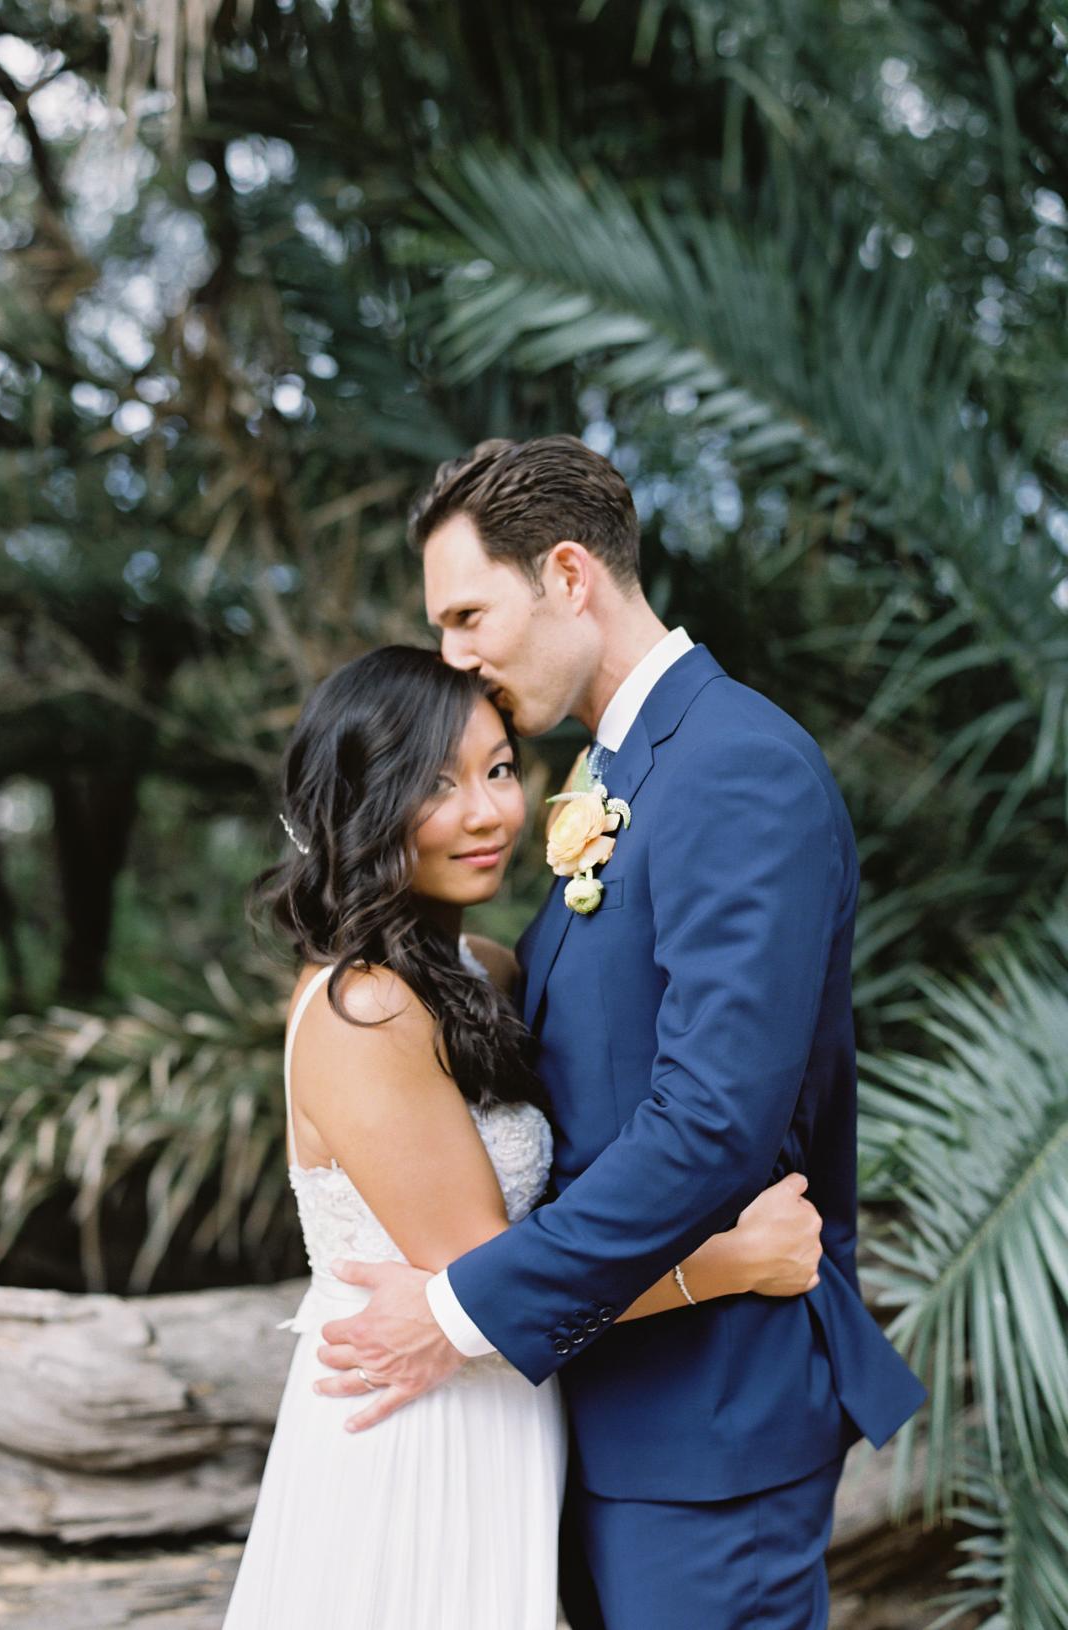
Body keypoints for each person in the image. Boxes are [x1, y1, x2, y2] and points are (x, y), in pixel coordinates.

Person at [314, 438, 928, 1630]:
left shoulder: (736, 767)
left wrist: (452, 1309)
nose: (454, 654)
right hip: (601, 1415)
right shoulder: (622, 772)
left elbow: (709, 1125)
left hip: (712, 1425)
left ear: (567, 575)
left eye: (469, 613)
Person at [219, 644, 828, 1630]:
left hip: (513, 1423)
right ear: (363, 809)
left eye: (500, 768)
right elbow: (492, 1285)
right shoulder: (360, 1010)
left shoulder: (481, 969)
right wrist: (729, 1263)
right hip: (413, 1440)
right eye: (436, 784)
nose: (490, 811)